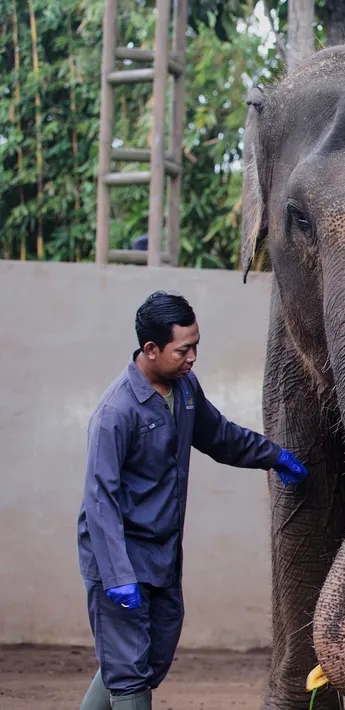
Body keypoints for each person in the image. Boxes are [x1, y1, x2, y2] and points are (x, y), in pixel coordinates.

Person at [77, 291, 308, 710]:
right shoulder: (116, 413)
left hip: (162, 553)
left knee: (146, 657)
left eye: (196, 345)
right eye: (184, 349)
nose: (193, 357)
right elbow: (100, 501)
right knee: (129, 674)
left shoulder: (183, 390)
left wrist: (273, 456)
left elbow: (219, 435)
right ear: (151, 349)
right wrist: (115, 575)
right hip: (120, 557)